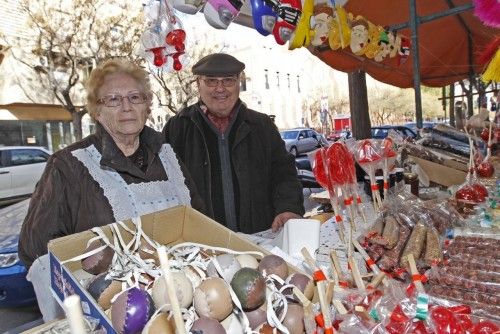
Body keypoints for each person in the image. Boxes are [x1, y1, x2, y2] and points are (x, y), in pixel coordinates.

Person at [18, 58, 204, 321]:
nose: (126, 107)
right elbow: (36, 251)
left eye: (135, 97)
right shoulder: (69, 166)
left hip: (184, 305)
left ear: (148, 105)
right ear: (96, 110)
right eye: (113, 100)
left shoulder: (169, 156)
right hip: (112, 314)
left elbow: (200, 222)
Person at [163, 53, 304, 234]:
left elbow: (284, 174)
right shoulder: (177, 129)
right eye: (211, 81)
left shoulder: (261, 125)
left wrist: (288, 207)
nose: (220, 89)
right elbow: (163, 185)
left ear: (239, 83)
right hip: (203, 244)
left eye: (228, 80)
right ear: (198, 84)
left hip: (260, 238)